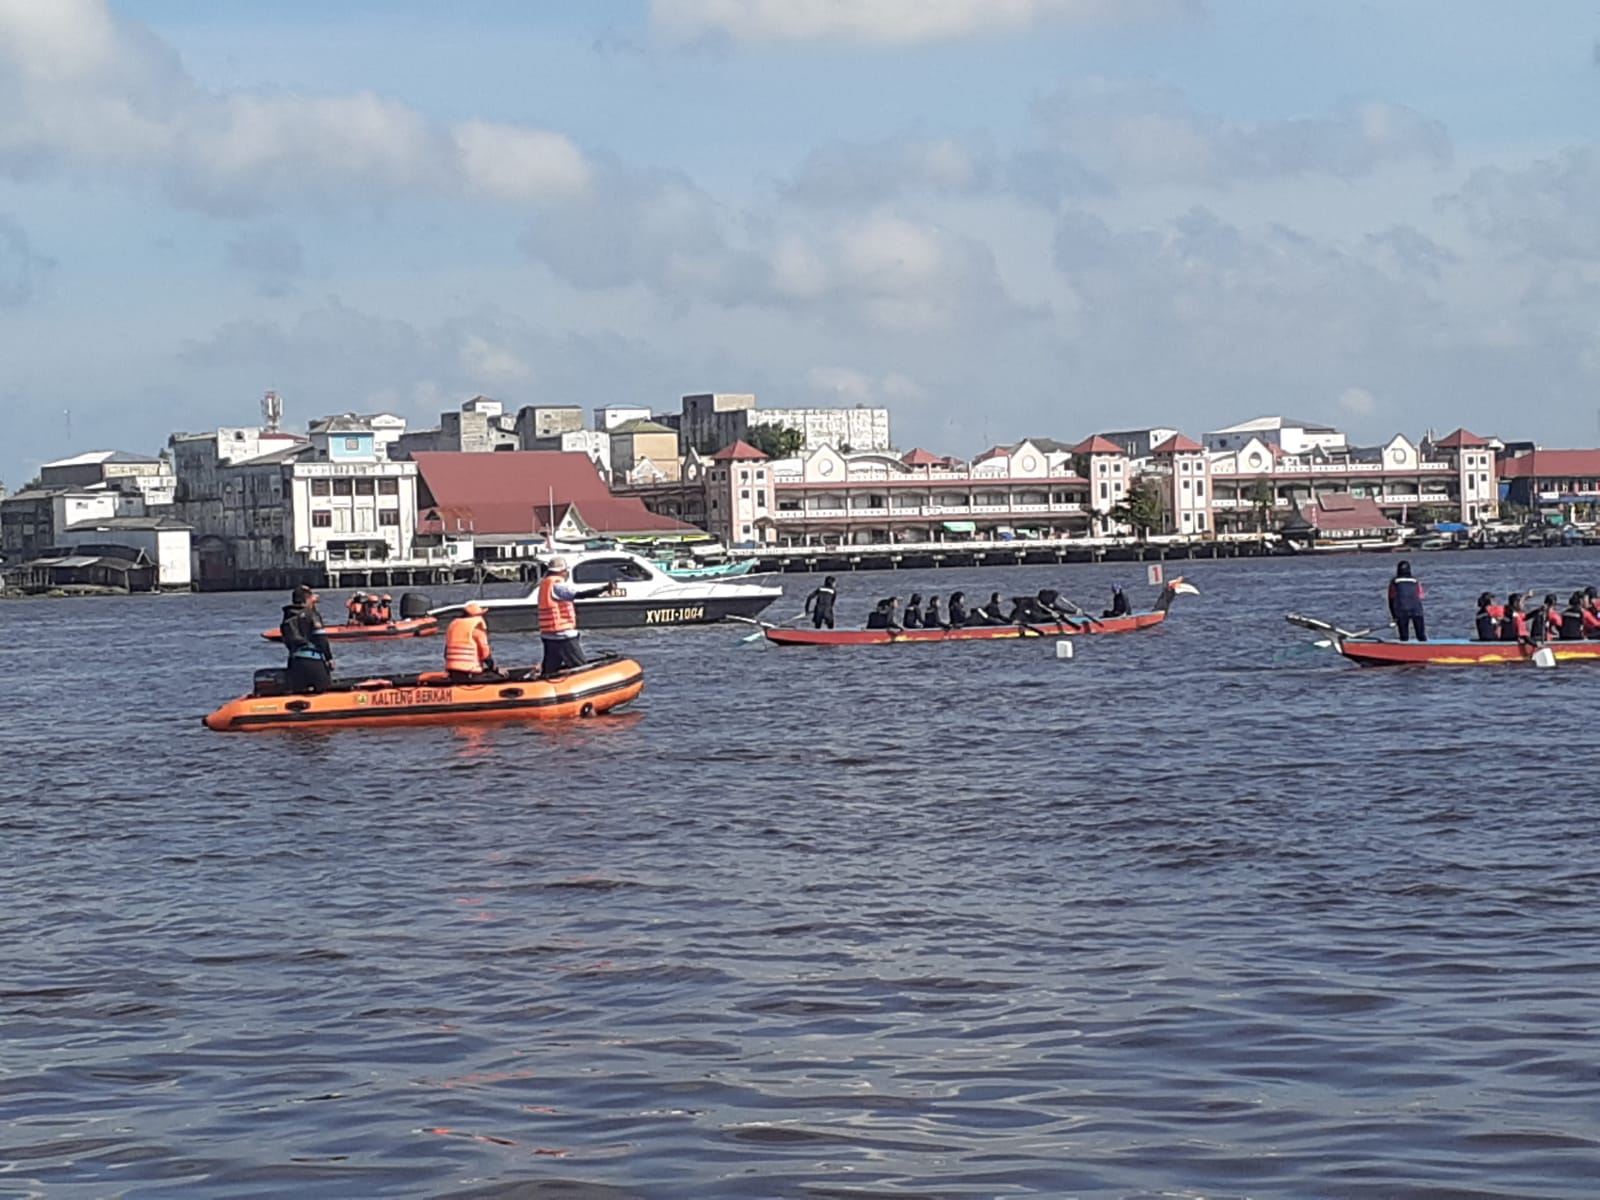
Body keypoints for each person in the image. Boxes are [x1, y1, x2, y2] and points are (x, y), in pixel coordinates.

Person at [537, 557, 612, 677]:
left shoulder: (545, 584)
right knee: (580, 667)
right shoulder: (557, 585)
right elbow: (578, 595)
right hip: (563, 636)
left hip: (548, 635)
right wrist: (601, 590)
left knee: (550, 670)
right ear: (562, 572)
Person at [281, 584, 335, 692]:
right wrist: (329, 658)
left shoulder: (288, 615)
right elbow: (321, 639)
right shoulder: (312, 614)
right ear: (308, 599)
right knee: (325, 690)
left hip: (295, 661)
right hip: (313, 661)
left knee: (298, 692)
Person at [444, 600, 497, 682]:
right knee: (496, 676)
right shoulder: (477, 628)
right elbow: (485, 654)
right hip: (470, 672)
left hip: (453, 672)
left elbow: (445, 654)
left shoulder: (453, 626)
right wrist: (494, 668)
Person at [1387, 560, 1426, 642]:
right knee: (1421, 636)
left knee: (1404, 637)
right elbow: (1421, 595)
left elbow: (1391, 598)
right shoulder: (1415, 581)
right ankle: (1425, 648)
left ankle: (1404, 648)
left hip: (1401, 611)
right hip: (1417, 610)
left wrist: (1394, 616)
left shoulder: (1394, 582)